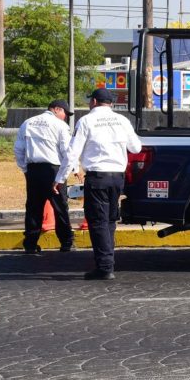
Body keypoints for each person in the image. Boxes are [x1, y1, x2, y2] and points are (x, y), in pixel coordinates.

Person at [55, 88, 142, 281]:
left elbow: (72, 153)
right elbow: (136, 147)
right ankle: (107, 263)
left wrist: (60, 179)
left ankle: (104, 267)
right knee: (110, 221)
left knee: (97, 222)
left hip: (97, 178)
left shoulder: (86, 121)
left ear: (94, 101)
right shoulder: (123, 120)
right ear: (110, 103)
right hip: (118, 178)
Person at [14, 99, 75, 254]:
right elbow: (68, 153)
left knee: (33, 208)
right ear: (56, 109)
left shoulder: (28, 123)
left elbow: (18, 149)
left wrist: (25, 170)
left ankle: (30, 244)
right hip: (54, 170)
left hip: (33, 170)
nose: (65, 117)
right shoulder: (61, 126)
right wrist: (64, 175)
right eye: (65, 113)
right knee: (60, 207)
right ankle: (66, 242)